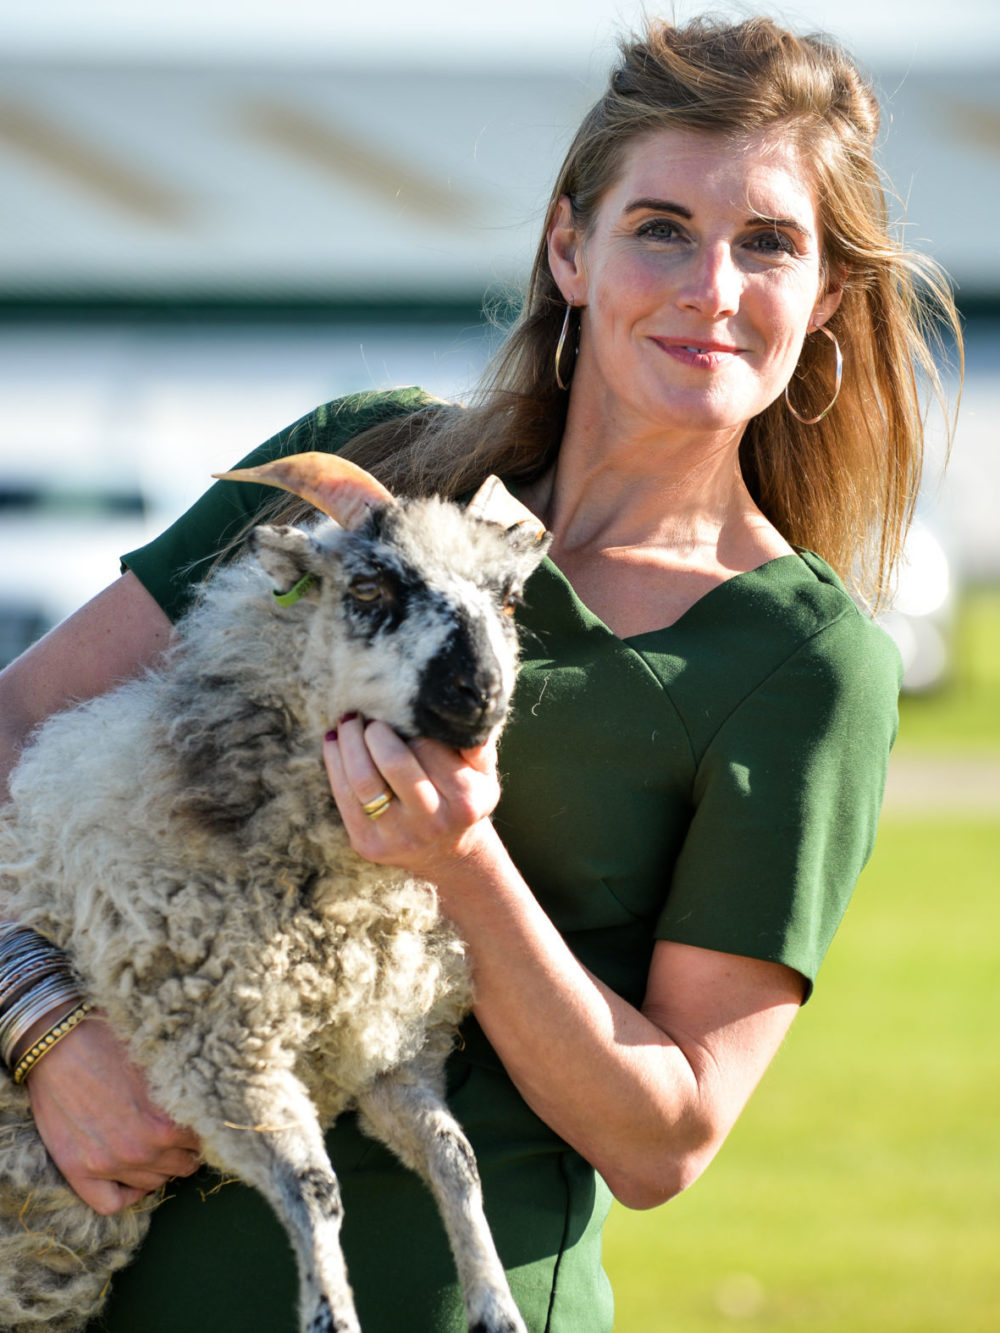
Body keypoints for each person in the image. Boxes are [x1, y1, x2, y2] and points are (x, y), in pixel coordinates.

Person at [0, 14, 961, 1332]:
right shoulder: (363, 469)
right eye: (662, 227)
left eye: (770, 244)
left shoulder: (802, 661)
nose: (713, 288)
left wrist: (465, 863)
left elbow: (666, 1134)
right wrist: (48, 1032)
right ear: (571, 247)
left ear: (828, 296)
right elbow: (12, 724)